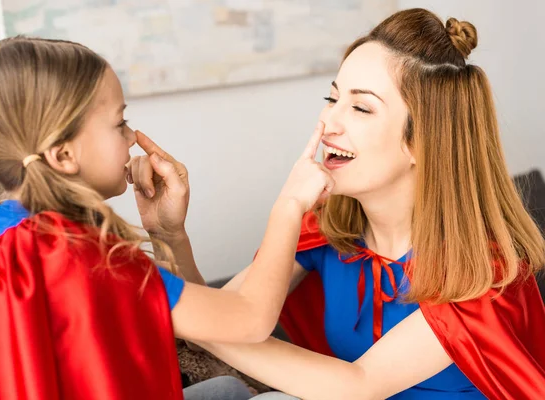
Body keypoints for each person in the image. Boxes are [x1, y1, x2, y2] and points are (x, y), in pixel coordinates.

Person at [159, 8, 545, 400]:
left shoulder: (484, 271)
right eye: (332, 97)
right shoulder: (328, 230)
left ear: (420, 142)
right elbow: (225, 315)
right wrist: (170, 233)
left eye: (360, 108)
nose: (328, 122)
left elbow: (359, 385)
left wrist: (288, 204)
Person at [0, 36, 334, 399]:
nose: (132, 137)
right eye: (119, 123)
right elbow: (249, 320)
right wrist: (291, 204)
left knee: (227, 389)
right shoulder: (87, 258)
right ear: (63, 156)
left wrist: (167, 232)